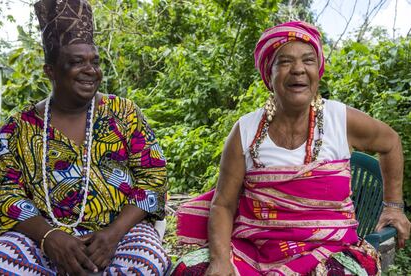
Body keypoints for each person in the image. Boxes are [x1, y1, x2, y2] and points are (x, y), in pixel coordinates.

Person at [172, 21, 411, 275]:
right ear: (269, 74)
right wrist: (220, 261)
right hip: (254, 251)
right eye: (285, 62)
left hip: (330, 250)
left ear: (317, 70)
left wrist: (393, 207)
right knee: (190, 269)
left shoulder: (339, 119)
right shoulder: (245, 130)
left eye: (308, 60)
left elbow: (390, 143)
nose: (298, 69)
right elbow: (223, 205)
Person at [0, 0, 171, 275]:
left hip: (119, 235)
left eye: (95, 61)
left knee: (146, 261)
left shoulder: (123, 113)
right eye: (77, 62)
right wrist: (50, 237)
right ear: (50, 71)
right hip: (43, 240)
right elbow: (5, 193)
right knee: (2, 261)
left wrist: (112, 234)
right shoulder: (17, 128)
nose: (91, 70)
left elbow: (154, 178)